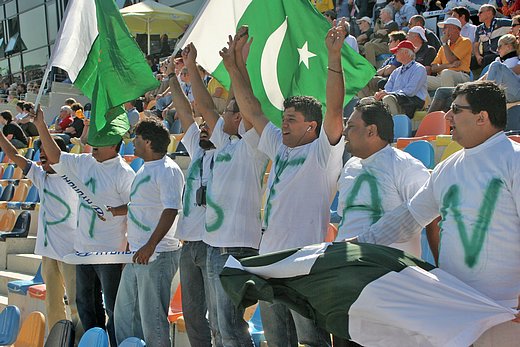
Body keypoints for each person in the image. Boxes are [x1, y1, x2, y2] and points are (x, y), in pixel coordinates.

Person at [352, 81, 520, 347]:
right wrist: (359, 244)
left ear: (482, 117)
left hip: (507, 311)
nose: (447, 116)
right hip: (456, 306)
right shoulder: (447, 168)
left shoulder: (515, 160)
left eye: (456, 109)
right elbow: (410, 217)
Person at [221, 24, 345, 347]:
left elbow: (334, 109)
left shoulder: (323, 152)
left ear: (311, 126)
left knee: (311, 342)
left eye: (291, 119)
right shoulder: (279, 144)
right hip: (268, 263)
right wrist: (237, 68)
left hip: (302, 266)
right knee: (278, 342)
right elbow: (251, 110)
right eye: (284, 118)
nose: (283, 124)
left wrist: (334, 57)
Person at [185, 41, 269, 346]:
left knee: (231, 328)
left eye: (231, 111)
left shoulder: (254, 147)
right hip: (213, 246)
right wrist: (191, 66)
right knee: (219, 326)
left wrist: (238, 66)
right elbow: (205, 106)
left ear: (241, 117)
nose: (221, 118)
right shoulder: (223, 142)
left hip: (237, 247)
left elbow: (247, 105)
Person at [33, 106, 135, 347]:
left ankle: (113, 343)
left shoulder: (124, 172)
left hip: (110, 253)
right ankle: (93, 342)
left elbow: (138, 207)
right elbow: (56, 157)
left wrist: (114, 212)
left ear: (113, 145)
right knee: (86, 305)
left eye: (99, 144)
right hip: (82, 251)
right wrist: (40, 127)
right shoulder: (85, 162)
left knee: (112, 306)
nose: (93, 146)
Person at [0, 133, 83, 342]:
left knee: (76, 304)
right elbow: (12, 153)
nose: (42, 156)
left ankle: (81, 341)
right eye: (41, 152)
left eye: (47, 152)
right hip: (48, 253)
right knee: (53, 304)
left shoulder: (74, 175)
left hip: (72, 252)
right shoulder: (40, 175)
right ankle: (59, 340)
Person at [113, 118, 184, 346]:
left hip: (157, 255)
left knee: (152, 321)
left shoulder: (168, 171)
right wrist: (116, 211)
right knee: (124, 316)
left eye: (138, 139)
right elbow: (141, 205)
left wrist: (149, 246)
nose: (133, 142)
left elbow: (171, 210)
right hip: (137, 254)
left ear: (149, 142)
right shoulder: (145, 167)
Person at [167, 51, 217, 347]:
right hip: (189, 245)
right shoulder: (197, 150)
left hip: (215, 245)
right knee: (194, 316)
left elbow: (203, 107)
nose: (204, 128)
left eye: (210, 125)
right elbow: (186, 112)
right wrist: (173, 77)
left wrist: (193, 68)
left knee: (223, 318)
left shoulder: (228, 151)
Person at [338, 98, 431, 257]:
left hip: (388, 266)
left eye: (351, 126)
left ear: (371, 131)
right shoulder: (349, 166)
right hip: (344, 261)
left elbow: (430, 216)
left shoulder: (406, 166)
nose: (344, 131)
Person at [375, 40, 428, 118]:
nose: (395, 54)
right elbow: (387, 88)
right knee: (367, 101)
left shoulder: (419, 69)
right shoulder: (396, 71)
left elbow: (410, 92)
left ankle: (396, 126)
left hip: (413, 100)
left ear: (406, 53)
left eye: (397, 51)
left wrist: (389, 94)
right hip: (397, 98)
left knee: (388, 98)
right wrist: (381, 94)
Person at [427, 17, 472, 91]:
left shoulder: (465, 41)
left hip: (461, 76)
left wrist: (444, 43)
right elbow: (433, 68)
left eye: (445, 28)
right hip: (442, 77)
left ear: (456, 29)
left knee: (446, 73)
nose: (443, 31)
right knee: (421, 79)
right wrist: (449, 65)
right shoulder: (443, 47)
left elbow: (451, 59)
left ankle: (449, 101)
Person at [479, 34, 520, 102]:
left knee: (496, 65)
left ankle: (486, 98)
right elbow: (485, 77)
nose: (497, 50)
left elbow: (515, 71)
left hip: (516, 91)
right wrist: (471, 86)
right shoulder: (499, 61)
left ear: (509, 47)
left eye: (499, 46)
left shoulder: (516, 60)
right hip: (506, 92)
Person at [473, 4, 512, 69]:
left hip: (498, 53)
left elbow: (516, 24)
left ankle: (485, 77)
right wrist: (477, 56)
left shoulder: (502, 23)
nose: (478, 15)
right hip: (486, 54)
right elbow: (476, 45)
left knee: (487, 59)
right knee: (471, 60)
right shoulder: (479, 29)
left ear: (489, 13)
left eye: (480, 12)